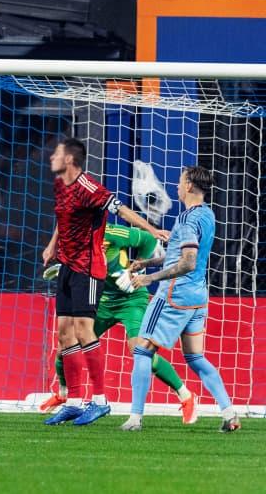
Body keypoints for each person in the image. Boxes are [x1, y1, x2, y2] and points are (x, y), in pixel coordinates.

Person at [42, 137, 168, 427]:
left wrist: (152, 229)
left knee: (84, 330)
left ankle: (100, 400)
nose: (51, 157)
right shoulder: (61, 185)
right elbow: (63, 219)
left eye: (57, 154)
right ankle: (74, 402)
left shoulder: (90, 188)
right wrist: (52, 246)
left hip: (88, 267)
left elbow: (121, 210)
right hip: (67, 267)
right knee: (64, 335)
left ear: (71, 160)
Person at [122, 166, 240, 432]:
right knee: (195, 357)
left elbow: (186, 262)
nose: (176, 186)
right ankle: (229, 412)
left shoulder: (188, 220)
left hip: (175, 294)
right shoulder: (207, 215)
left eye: (179, 181)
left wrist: (151, 279)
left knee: (142, 350)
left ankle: (135, 418)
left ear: (188, 185)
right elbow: (181, 254)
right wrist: (147, 263)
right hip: (198, 296)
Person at [39, 223, 196, 423]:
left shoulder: (112, 232)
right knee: (67, 345)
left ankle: (186, 396)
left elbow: (148, 239)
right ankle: (63, 394)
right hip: (103, 301)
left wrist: (135, 269)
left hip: (131, 299)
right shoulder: (76, 236)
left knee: (140, 349)